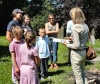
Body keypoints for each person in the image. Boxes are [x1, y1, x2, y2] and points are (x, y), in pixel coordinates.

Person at [62, 7, 89, 84]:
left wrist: (66, 44)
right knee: (83, 73)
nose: (71, 17)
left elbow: (76, 45)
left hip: (76, 54)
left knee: (78, 76)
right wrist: (73, 38)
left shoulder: (75, 27)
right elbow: (84, 40)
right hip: (84, 51)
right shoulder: (85, 26)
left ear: (75, 16)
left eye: (72, 15)